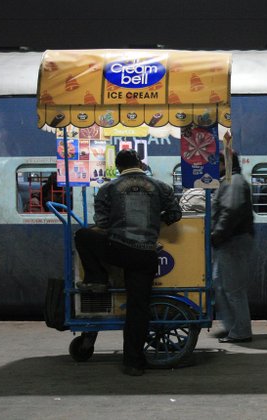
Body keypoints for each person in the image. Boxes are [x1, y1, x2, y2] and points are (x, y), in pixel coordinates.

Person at [74, 149, 182, 376]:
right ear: (140, 164)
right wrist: (155, 221)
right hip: (146, 255)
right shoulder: (162, 187)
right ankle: (133, 362)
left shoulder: (107, 188)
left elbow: (102, 222)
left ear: (119, 167)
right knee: (138, 308)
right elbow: (175, 214)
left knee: (83, 236)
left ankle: (96, 278)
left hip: (119, 250)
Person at [211, 151, 255, 343]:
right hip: (229, 241)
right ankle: (233, 327)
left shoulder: (233, 182)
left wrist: (217, 234)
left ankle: (241, 331)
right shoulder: (229, 180)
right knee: (220, 285)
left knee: (233, 288)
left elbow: (232, 210)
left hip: (233, 241)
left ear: (223, 164)